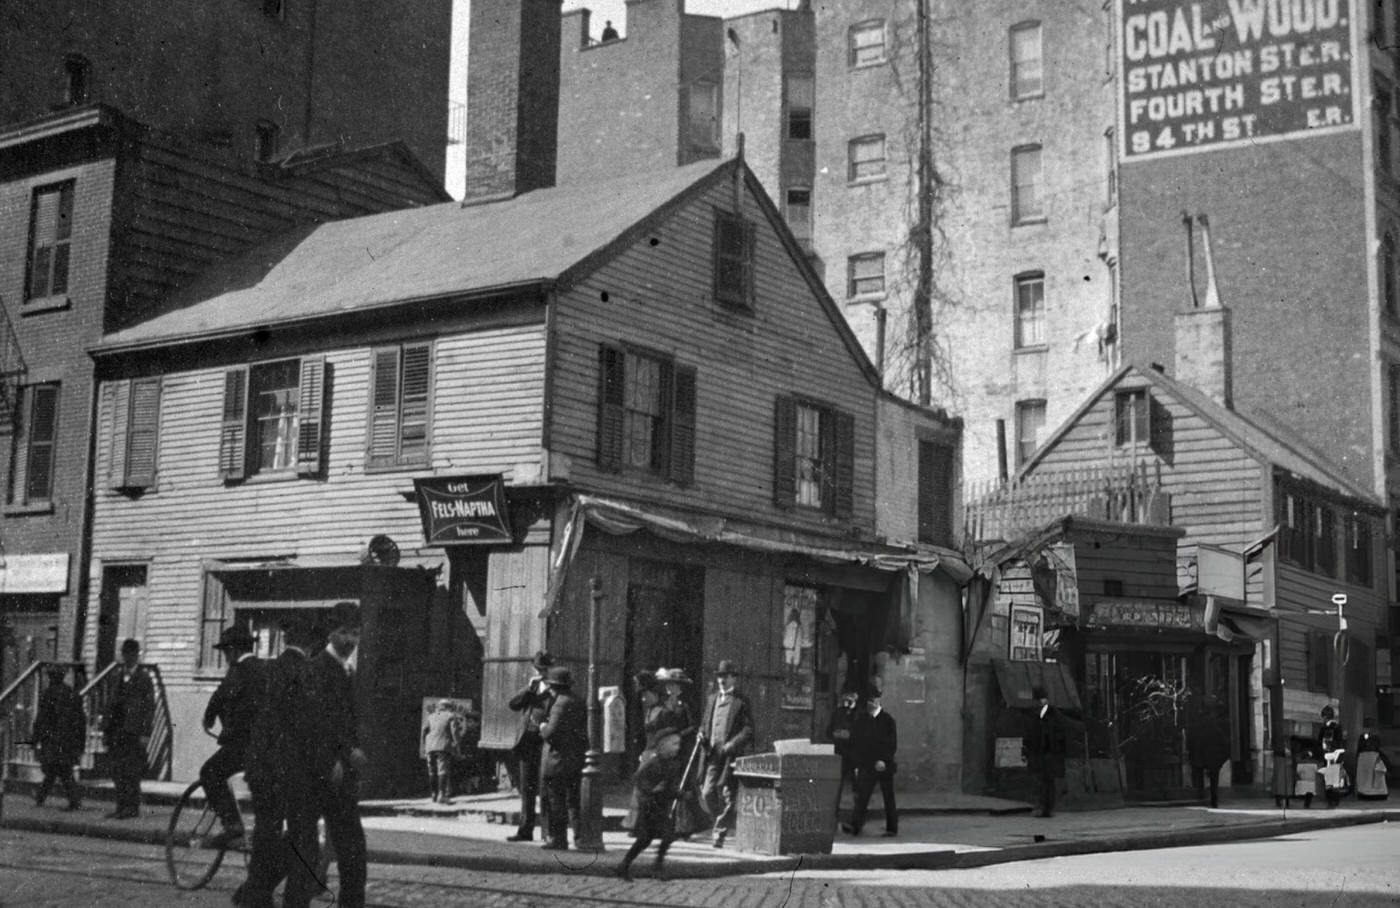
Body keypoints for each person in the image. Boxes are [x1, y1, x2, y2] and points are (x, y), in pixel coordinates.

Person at [238, 614, 319, 908]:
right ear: (310, 645)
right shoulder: (305, 672)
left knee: (266, 838)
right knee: (303, 842)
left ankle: (252, 897)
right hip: (290, 769)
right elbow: (306, 726)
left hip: (260, 766)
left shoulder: (267, 669)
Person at [295, 602, 368, 908]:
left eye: (355, 633)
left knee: (350, 851)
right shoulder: (317, 668)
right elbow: (313, 721)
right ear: (330, 632)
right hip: (320, 773)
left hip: (339, 777)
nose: (350, 640)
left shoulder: (346, 670)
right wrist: (343, 753)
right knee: (313, 852)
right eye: (344, 632)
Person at [616, 667, 692, 881]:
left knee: (659, 833)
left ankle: (643, 866)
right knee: (655, 834)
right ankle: (643, 866)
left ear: (654, 693)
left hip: (660, 760)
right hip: (652, 765)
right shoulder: (649, 710)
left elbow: (669, 737)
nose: (642, 698)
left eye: (645, 694)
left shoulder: (664, 711)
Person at [201, 625, 265, 846]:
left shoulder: (238, 670)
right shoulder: (264, 668)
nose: (226, 658)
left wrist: (208, 718)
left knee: (209, 772)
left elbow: (220, 696)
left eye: (226, 652)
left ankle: (232, 824)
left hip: (243, 746)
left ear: (235, 650)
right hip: (266, 746)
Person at [698, 659, 753, 849]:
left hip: (730, 755)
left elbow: (748, 730)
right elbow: (705, 723)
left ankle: (719, 832)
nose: (721, 680)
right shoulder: (712, 698)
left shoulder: (741, 701)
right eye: (719, 676)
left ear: (733, 679)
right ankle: (719, 822)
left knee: (729, 795)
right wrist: (701, 734)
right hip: (712, 753)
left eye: (725, 676)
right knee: (707, 792)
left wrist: (732, 744)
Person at [102, 638, 154, 820]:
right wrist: (105, 729)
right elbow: (109, 703)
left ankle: (132, 808)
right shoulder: (116, 676)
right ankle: (120, 805)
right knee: (117, 771)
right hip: (116, 730)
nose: (128, 658)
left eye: (131, 654)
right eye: (125, 654)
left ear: (136, 655)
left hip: (133, 731)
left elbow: (149, 708)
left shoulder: (144, 678)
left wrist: (145, 733)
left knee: (131, 771)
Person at [506, 651, 553, 842]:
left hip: (545, 742)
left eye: (544, 669)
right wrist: (528, 689)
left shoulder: (554, 689)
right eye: (539, 668)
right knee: (527, 789)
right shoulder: (532, 688)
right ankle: (525, 830)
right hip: (528, 742)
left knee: (545, 788)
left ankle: (547, 833)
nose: (542, 672)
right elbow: (513, 704)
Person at [538, 665, 587, 851]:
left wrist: (543, 728)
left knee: (556, 801)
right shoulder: (578, 700)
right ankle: (580, 838)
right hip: (576, 759)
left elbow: (552, 733)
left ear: (554, 687)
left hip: (558, 760)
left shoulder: (560, 703)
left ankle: (559, 839)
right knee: (574, 801)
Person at [843, 683, 898, 837]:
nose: (871, 705)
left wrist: (884, 760)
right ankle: (855, 825)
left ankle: (892, 827)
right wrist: (858, 763)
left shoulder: (887, 721)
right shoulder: (862, 721)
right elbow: (857, 742)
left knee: (888, 796)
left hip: (883, 764)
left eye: (873, 702)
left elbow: (891, 743)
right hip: (867, 764)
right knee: (862, 795)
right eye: (869, 702)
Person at [32, 664, 86, 811]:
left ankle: (70, 801)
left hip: (53, 740)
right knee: (58, 771)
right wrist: (80, 742)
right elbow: (81, 720)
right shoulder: (71, 693)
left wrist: (36, 739)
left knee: (59, 771)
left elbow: (41, 719)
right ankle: (41, 797)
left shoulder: (49, 694)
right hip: (67, 740)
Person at [1024, 685, 1065, 818]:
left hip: (1045, 752)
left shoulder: (1044, 713)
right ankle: (1046, 807)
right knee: (1046, 781)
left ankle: (1045, 807)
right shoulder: (1047, 712)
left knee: (1045, 781)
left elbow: (1038, 733)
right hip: (1045, 752)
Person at [1186, 694, 1231, 809]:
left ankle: (1206, 796)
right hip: (1211, 752)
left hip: (1205, 751)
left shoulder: (1203, 720)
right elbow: (1224, 739)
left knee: (1205, 774)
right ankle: (1212, 799)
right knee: (1213, 777)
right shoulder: (1217, 721)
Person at [827, 687, 859, 811]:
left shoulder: (860, 714)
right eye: (846, 696)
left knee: (856, 785)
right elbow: (828, 730)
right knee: (837, 782)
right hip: (840, 753)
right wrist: (835, 733)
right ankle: (835, 810)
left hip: (855, 754)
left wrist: (851, 735)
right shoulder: (838, 712)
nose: (848, 700)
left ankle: (857, 812)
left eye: (851, 696)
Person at [423, 699, 460, 804]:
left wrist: (424, 745)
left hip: (430, 746)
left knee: (432, 770)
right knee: (442, 770)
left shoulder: (431, 716)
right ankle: (441, 795)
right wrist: (456, 745)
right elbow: (455, 732)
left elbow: (424, 731)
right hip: (443, 746)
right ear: (448, 707)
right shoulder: (451, 716)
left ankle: (433, 795)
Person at [1354, 720, 1390, 800]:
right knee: (1368, 777)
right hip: (1366, 758)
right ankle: (1366, 792)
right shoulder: (1364, 737)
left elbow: (1375, 747)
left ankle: (1373, 792)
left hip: (1370, 758)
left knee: (1372, 777)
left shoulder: (1374, 737)